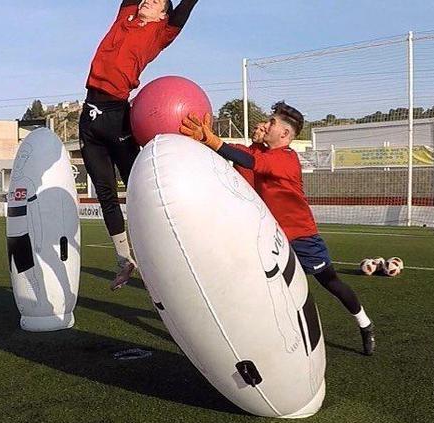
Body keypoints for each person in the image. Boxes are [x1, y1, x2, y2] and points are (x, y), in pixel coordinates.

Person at [180, 103, 376, 355]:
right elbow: (244, 159)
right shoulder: (262, 155)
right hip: (270, 237)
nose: (265, 124)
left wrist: (213, 140)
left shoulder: (286, 158)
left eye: (271, 122)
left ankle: (365, 324)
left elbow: (249, 161)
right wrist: (212, 142)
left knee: (330, 282)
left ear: (284, 134)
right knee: (259, 287)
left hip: (302, 237)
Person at [81, 0, 199, 290]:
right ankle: (124, 259)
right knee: (106, 194)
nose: (148, 0)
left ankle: (167, 254)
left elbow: (184, 9)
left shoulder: (160, 33)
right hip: (89, 118)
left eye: (157, 0)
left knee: (140, 191)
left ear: (163, 15)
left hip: (117, 118)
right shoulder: (126, 16)